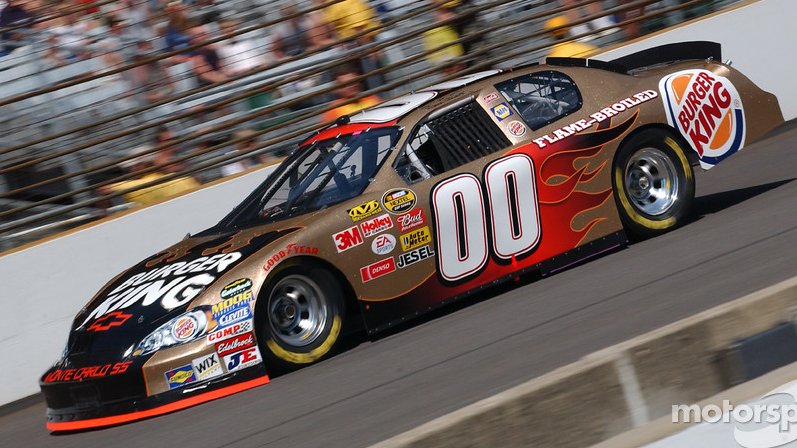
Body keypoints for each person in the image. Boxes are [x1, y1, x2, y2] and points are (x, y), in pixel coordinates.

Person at [99, 144, 200, 206]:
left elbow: (104, 189)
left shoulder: (131, 189)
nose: (130, 170)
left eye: (133, 166)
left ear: (142, 165)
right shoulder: (185, 180)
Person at [423, 5, 465, 76]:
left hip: (446, 54)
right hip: (447, 54)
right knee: (453, 71)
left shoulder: (432, 30)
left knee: (452, 72)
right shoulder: (434, 29)